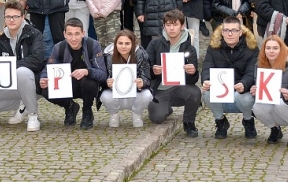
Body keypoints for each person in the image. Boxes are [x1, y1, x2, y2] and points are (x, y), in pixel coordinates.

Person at [0, 1, 44, 132]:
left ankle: (33, 114)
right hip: (9, 84)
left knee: (22, 72)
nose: (11, 20)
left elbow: (37, 61)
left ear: (23, 17)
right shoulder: (0, 40)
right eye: (8, 17)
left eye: (15, 16)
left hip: (32, 82)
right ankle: (23, 104)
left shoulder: (34, 34)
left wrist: (9, 65)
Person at [40, 18, 107, 129]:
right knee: (46, 90)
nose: (73, 38)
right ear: (64, 34)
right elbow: (48, 69)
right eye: (70, 34)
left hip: (86, 85)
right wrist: (44, 79)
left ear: (83, 33)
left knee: (89, 82)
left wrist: (87, 71)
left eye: (77, 34)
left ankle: (87, 111)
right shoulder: (58, 47)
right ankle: (70, 106)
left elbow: (103, 74)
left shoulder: (93, 45)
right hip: (67, 85)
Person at [200, 16, 258, 140]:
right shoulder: (213, 47)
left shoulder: (252, 48)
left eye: (234, 30)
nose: (230, 34)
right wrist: (206, 80)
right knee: (207, 94)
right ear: (222, 32)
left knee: (246, 98)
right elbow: (206, 67)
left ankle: (248, 121)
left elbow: (251, 72)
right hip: (221, 91)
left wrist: (244, 84)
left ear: (240, 32)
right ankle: (220, 121)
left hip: (241, 91)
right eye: (226, 30)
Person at [146, 9, 201, 137]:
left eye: (175, 24)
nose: (171, 28)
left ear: (182, 26)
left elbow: (193, 80)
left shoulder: (190, 48)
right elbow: (145, 70)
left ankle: (189, 122)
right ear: (164, 26)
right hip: (160, 89)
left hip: (180, 88)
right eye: (168, 25)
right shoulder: (154, 44)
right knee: (157, 118)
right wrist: (154, 71)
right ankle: (165, 107)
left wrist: (193, 73)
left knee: (195, 92)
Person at [251, 35, 288, 146]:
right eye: (268, 48)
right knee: (257, 107)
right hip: (277, 110)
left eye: (275, 48)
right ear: (264, 50)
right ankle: (275, 129)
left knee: (280, 103)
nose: (271, 51)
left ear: (281, 50)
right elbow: (263, 96)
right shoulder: (259, 66)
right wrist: (256, 93)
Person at [100, 30, 152, 128]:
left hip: (135, 93)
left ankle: (136, 114)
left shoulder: (141, 55)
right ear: (115, 44)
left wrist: (142, 83)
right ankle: (114, 114)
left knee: (147, 95)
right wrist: (107, 83)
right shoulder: (107, 56)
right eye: (120, 43)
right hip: (115, 94)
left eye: (127, 43)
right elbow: (101, 79)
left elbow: (148, 78)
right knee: (105, 96)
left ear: (133, 44)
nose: (123, 46)